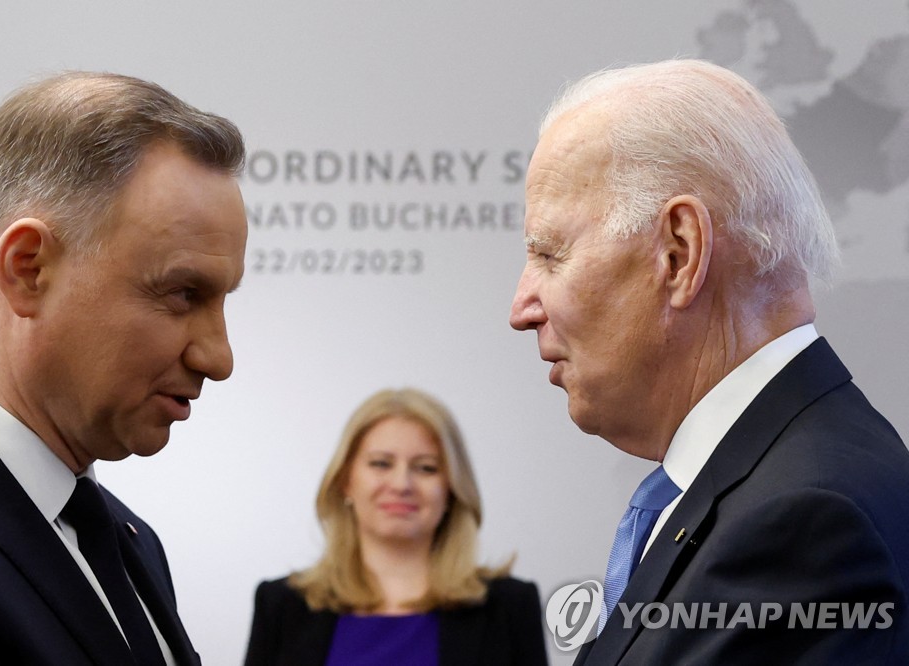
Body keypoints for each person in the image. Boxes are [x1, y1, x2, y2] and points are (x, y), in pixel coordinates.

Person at [510, 58, 909, 664]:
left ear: (679, 253)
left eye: (551, 254)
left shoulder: (805, 522)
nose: (522, 307)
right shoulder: (771, 483)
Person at [0, 71, 247, 665]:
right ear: (28, 269)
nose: (219, 357)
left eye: (222, 299)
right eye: (184, 293)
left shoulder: (128, 539)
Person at [243, 388, 549, 665]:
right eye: (381, 463)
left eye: (426, 468)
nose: (402, 484)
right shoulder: (280, 605)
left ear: (453, 490)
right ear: (346, 480)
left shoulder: (511, 606)